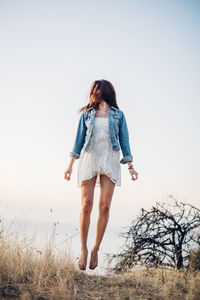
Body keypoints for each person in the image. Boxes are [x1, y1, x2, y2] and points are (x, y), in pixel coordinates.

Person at [64, 79, 138, 271]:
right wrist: (70, 165)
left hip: (110, 160)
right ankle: (83, 249)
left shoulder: (118, 116)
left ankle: (95, 248)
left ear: (103, 92)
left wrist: (130, 166)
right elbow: (78, 140)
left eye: (95, 91)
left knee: (104, 207)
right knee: (86, 205)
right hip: (89, 159)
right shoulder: (86, 115)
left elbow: (125, 140)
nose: (92, 94)